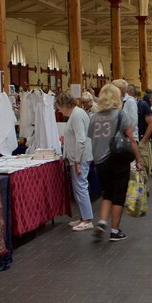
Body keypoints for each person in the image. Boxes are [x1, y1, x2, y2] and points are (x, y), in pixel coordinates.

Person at [87, 83, 143, 242]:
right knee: (118, 194)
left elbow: (92, 140)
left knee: (107, 192)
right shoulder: (120, 115)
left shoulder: (94, 117)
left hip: (100, 160)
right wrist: (138, 160)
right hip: (118, 158)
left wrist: (95, 161)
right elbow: (132, 139)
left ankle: (102, 222)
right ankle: (115, 230)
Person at [56, 92, 95, 232]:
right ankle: (84, 217)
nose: (59, 111)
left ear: (64, 105)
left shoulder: (76, 115)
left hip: (80, 158)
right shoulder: (77, 113)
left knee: (81, 187)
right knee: (79, 188)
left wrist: (77, 160)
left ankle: (88, 220)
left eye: (59, 107)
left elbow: (81, 139)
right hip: (79, 157)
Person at [136, 89, 152, 177]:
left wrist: (143, 141)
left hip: (141, 140)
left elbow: (151, 125)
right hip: (132, 142)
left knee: (143, 167)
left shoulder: (142, 105)